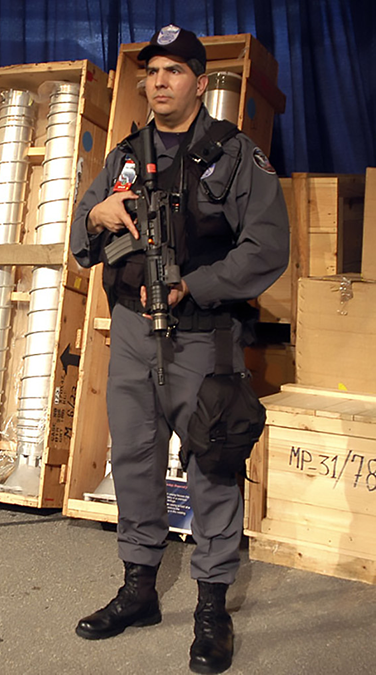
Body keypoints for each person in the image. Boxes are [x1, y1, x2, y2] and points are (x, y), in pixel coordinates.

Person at [69, 25, 289, 674]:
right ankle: (139, 588)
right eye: (152, 72)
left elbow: (268, 246)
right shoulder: (125, 154)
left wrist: (198, 282)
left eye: (173, 71)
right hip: (134, 335)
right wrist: (99, 216)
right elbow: (83, 242)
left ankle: (212, 607)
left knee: (212, 465)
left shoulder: (233, 154)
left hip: (201, 338)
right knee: (133, 458)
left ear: (198, 80)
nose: (159, 82)